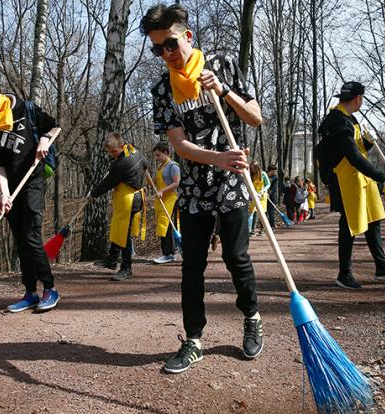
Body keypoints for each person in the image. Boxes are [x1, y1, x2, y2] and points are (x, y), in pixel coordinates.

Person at [142, 3, 264, 374]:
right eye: (157, 48)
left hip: (231, 182)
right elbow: (179, 145)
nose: (167, 54)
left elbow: (255, 117)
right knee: (191, 265)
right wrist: (216, 157)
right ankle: (193, 339)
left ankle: (252, 318)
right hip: (195, 186)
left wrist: (224, 90)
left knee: (235, 258)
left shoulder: (223, 63)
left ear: (188, 37)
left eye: (171, 44)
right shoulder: (163, 88)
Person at [0, 72, 60, 313]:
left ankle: (50, 289)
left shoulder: (25, 108)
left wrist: (45, 140)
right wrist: (4, 194)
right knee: (20, 239)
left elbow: (54, 126)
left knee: (30, 235)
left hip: (32, 178)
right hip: (11, 185)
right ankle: (30, 293)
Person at [317, 81, 385, 290]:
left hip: (360, 180)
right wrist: (383, 178)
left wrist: (367, 142)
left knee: (374, 219)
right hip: (345, 179)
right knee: (349, 224)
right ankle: (344, 273)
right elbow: (352, 157)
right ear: (358, 99)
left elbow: (356, 149)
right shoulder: (337, 122)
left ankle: (382, 266)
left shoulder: (349, 119)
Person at [90, 133, 149, 281]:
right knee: (117, 227)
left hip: (130, 201)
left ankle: (127, 268)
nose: (112, 155)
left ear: (122, 146)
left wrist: (93, 194)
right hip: (130, 198)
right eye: (110, 152)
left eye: (114, 152)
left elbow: (107, 183)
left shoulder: (120, 165)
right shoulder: (135, 152)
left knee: (124, 233)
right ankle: (112, 259)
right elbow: (146, 163)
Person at [150, 142, 181, 264]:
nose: (156, 158)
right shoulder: (160, 166)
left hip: (171, 199)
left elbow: (176, 183)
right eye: (155, 156)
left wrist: (162, 190)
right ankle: (169, 252)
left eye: (158, 155)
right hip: (161, 200)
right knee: (163, 226)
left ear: (166, 153)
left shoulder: (173, 166)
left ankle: (168, 253)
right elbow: (154, 181)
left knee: (166, 226)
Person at [248, 162, 270, 236]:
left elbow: (268, 184)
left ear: (257, 167)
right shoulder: (251, 175)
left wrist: (263, 191)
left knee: (261, 213)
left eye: (254, 168)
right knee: (253, 212)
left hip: (262, 196)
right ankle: (252, 230)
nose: (252, 169)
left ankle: (263, 229)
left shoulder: (263, 174)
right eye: (251, 168)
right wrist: (250, 195)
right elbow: (249, 186)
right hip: (254, 196)